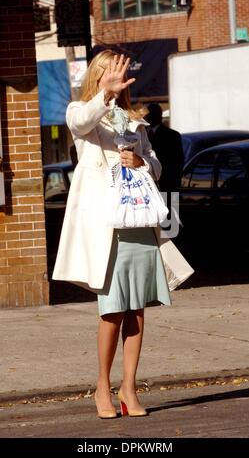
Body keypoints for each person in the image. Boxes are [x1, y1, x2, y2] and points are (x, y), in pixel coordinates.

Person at [52, 50, 193, 419]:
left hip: (138, 225)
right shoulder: (80, 113)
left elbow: (158, 166)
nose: (119, 79)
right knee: (112, 310)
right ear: (99, 77)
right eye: (111, 74)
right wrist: (106, 95)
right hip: (107, 228)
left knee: (137, 309)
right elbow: (82, 121)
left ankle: (129, 387)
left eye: (121, 76)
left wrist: (142, 162)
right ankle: (102, 385)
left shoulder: (135, 123)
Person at [146, 103, 184, 209]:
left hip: (168, 185)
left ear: (159, 116)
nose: (148, 117)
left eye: (152, 114)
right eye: (147, 115)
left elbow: (178, 162)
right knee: (154, 220)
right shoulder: (141, 134)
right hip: (148, 186)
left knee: (172, 220)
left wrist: (174, 183)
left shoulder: (172, 136)